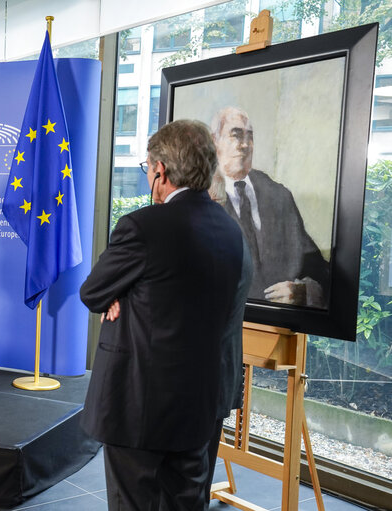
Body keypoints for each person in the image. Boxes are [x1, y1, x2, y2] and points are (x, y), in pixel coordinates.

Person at [80, 119, 252, 511]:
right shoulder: (232, 232)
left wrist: (120, 291)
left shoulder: (142, 227)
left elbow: (92, 292)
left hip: (139, 405)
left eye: (147, 169)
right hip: (202, 406)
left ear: (160, 170)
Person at [211, 106, 329, 307]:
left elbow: (318, 269)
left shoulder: (278, 195)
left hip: (277, 325)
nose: (245, 145)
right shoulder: (200, 196)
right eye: (235, 135)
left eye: (250, 137)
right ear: (215, 143)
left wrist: (306, 292)